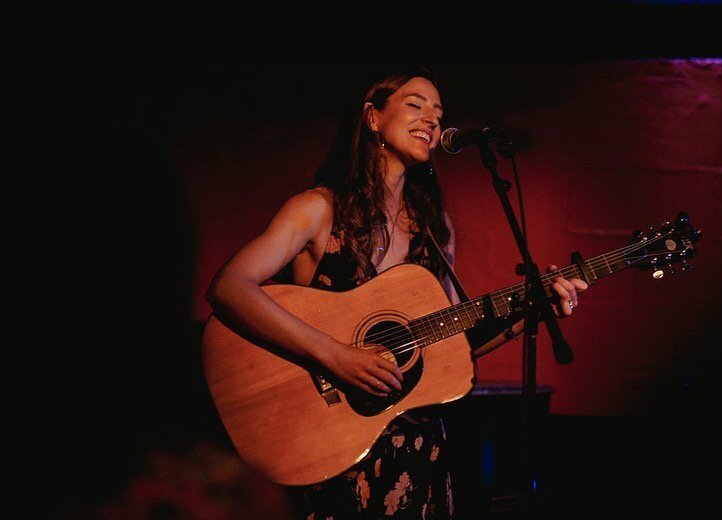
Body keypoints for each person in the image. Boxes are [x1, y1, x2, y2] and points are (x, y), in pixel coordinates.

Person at [206, 65, 588, 519]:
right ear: (372, 118)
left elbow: (449, 348)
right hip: (334, 448)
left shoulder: (434, 230)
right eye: (415, 104)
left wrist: (532, 312)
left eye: (439, 111)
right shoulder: (317, 209)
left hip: (420, 453)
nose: (432, 118)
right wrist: (335, 356)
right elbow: (229, 286)